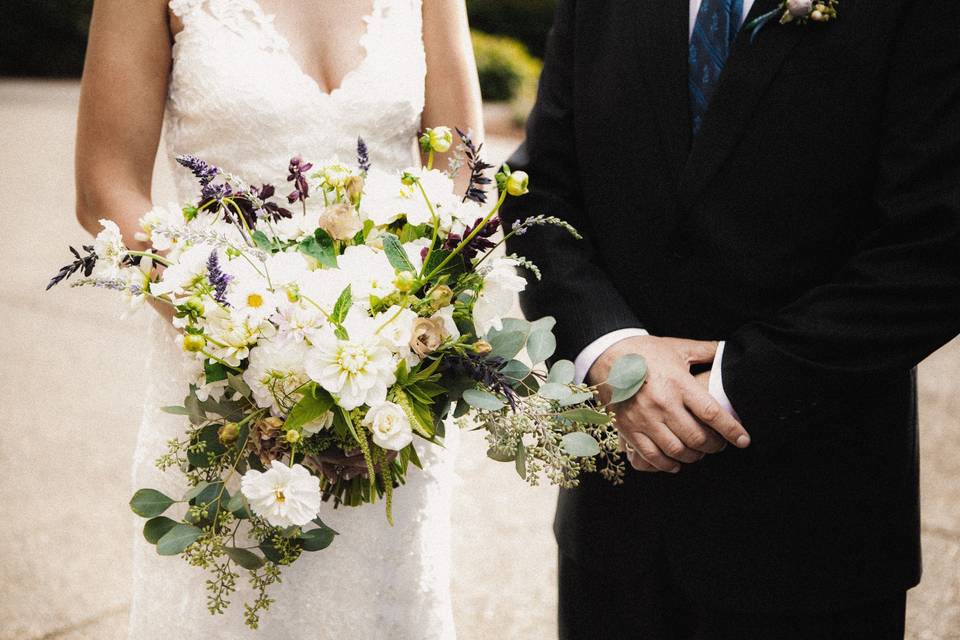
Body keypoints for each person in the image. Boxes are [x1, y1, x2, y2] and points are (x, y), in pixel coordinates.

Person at [501, 1, 960, 638]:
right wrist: (608, 349)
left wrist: (724, 389)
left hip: (815, 528)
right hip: (615, 527)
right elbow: (540, 189)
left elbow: (935, 245)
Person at [74, 1, 482, 637]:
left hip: (390, 385)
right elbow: (106, 185)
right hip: (224, 381)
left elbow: (458, 165)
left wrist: (398, 318)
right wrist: (235, 326)